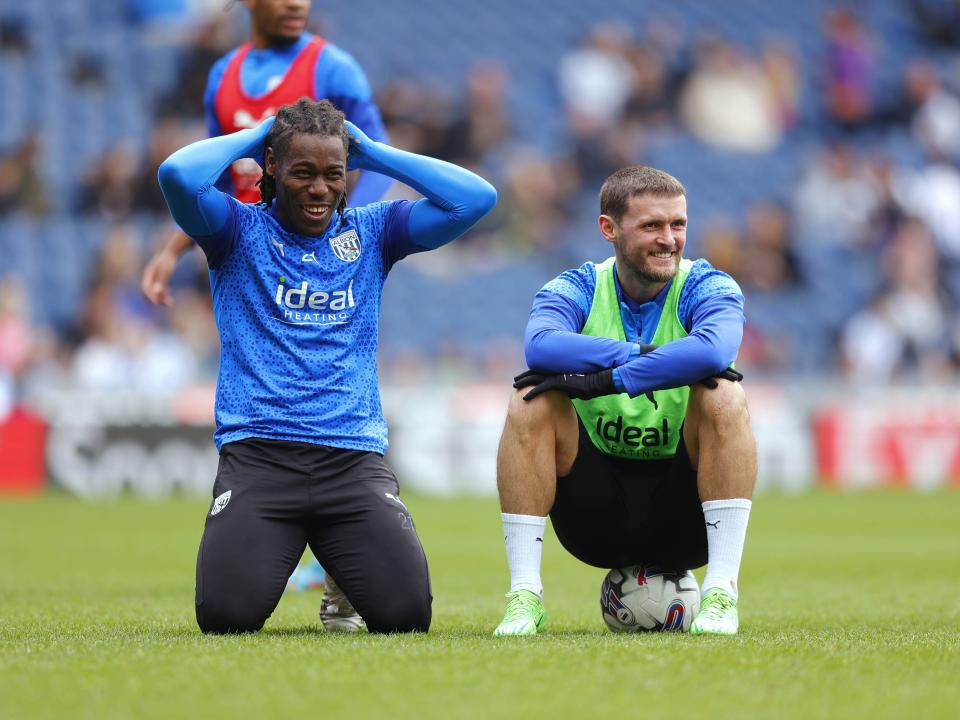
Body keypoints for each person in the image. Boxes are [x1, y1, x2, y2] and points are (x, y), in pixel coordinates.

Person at [157, 98, 497, 634]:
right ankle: (302, 550)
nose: (319, 189)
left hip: (352, 462)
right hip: (260, 459)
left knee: (407, 617)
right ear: (273, 168)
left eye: (332, 174)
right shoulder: (234, 231)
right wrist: (260, 135)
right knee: (226, 617)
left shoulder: (373, 232)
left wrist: (374, 155)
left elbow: (475, 200)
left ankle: (343, 573)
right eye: (303, 172)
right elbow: (177, 174)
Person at [140, 0, 393, 627]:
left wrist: (336, 235)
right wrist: (177, 246)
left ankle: (342, 565)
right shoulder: (225, 73)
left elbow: (373, 156)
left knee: (326, 365)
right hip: (250, 239)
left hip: (323, 242)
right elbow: (218, 174)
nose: (296, 3)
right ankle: (259, 517)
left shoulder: (333, 67)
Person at [492, 166, 755, 636]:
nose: (669, 239)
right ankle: (524, 598)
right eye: (651, 225)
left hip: (684, 512)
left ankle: (721, 594)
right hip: (594, 513)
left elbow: (714, 351)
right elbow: (541, 346)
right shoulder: (575, 287)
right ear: (608, 229)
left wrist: (607, 380)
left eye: (678, 225)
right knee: (529, 400)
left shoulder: (707, 285)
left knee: (725, 395)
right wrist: (644, 357)